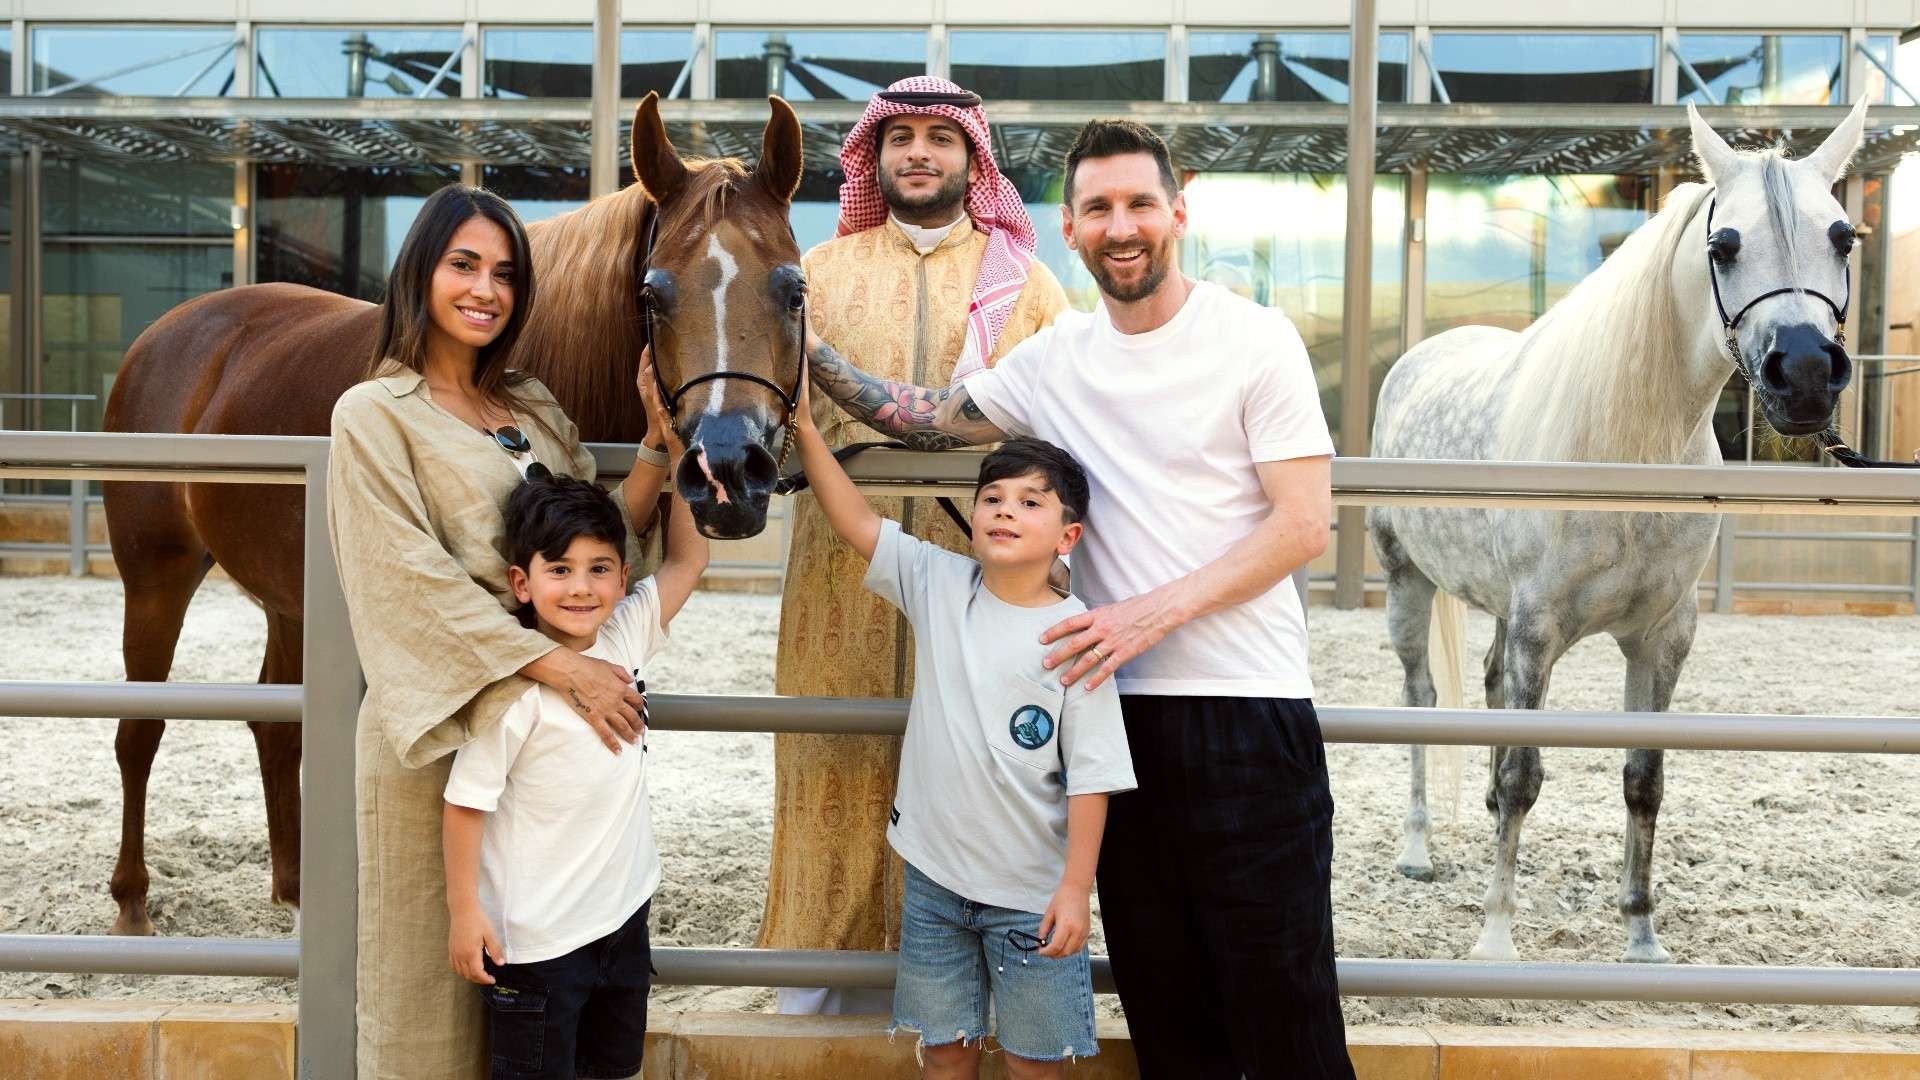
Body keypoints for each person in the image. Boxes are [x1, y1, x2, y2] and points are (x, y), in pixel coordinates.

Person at [804, 119, 1351, 1077]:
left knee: (1285, 1010)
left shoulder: (1256, 338)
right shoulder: (1056, 356)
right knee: (1166, 1012)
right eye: (1098, 207)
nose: (1122, 225)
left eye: (1141, 203)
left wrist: (1149, 613)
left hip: (1246, 712)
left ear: (1179, 211)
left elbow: (1304, 525)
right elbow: (927, 418)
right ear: (1070, 228)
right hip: (1110, 729)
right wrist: (799, 352)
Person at [327, 183, 669, 1079]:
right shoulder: (374, 415)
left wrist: (658, 445)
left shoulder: (534, 407)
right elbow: (406, 582)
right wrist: (562, 667)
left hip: (554, 746)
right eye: (464, 265)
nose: (486, 290)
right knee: (427, 1001)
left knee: (547, 972)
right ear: (420, 275)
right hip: (441, 727)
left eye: (506, 274)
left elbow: (600, 541)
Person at [762, 75, 1071, 1016]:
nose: (919, 153)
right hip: (838, 569)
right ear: (873, 156)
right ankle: (813, 974)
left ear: (973, 159)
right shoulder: (817, 271)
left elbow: (1058, 439)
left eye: (941, 138)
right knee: (830, 749)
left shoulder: (1033, 284)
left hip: (989, 582)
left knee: (981, 760)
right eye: (899, 138)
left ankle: (962, 971)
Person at [789, 375, 1134, 1078]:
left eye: (1029, 502)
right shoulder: (938, 583)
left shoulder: (1078, 637)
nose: (1005, 512)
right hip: (935, 885)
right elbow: (855, 521)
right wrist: (802, 427)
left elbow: (1093, 777)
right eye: (993, 498)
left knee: (1037, 1062)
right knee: (945, 1053)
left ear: (1068, 534)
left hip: (1030, 899)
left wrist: (1076, 888)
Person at [443, 464, 706, 1080]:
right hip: (535, 945)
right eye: (559, 570)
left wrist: (682, 457)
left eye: (598, 568)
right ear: (523, 582)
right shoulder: (513, 695)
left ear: (621, 576)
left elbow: (687, 562)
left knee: (615, 1069)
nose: (581, 587)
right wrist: (463, 913)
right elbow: (464, 804)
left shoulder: (623, 635)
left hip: (623, 918)